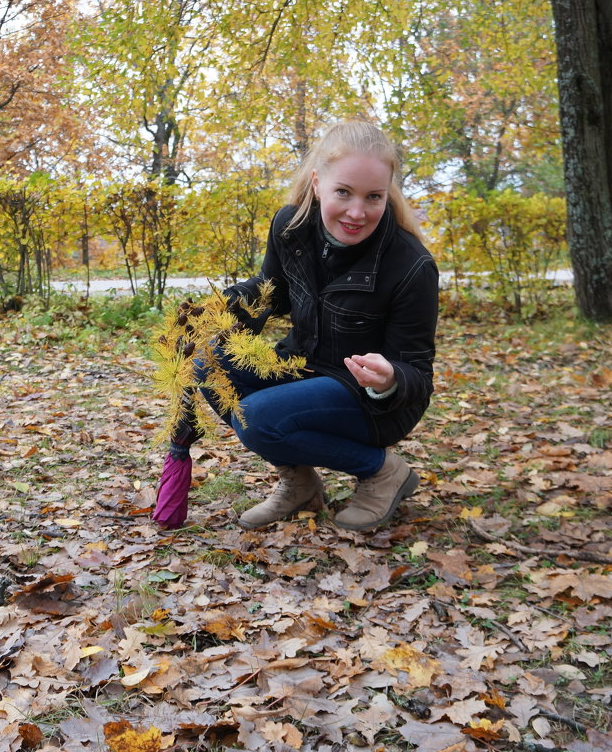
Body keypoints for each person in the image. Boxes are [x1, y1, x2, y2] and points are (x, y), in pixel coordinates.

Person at [171, 119, 438, 532]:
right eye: (343, 192)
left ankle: (382, 471)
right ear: (317, 183)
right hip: (303, 365)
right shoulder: (291, 227)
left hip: (370, 400)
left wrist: (389, 379)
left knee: (258, 418)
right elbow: (269, 292)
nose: (357, 212)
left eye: (374, 197)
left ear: (388, 194)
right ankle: (300, 484)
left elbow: (417, 373)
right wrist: (215, 311)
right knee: (207, 361)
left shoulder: (411, 265)